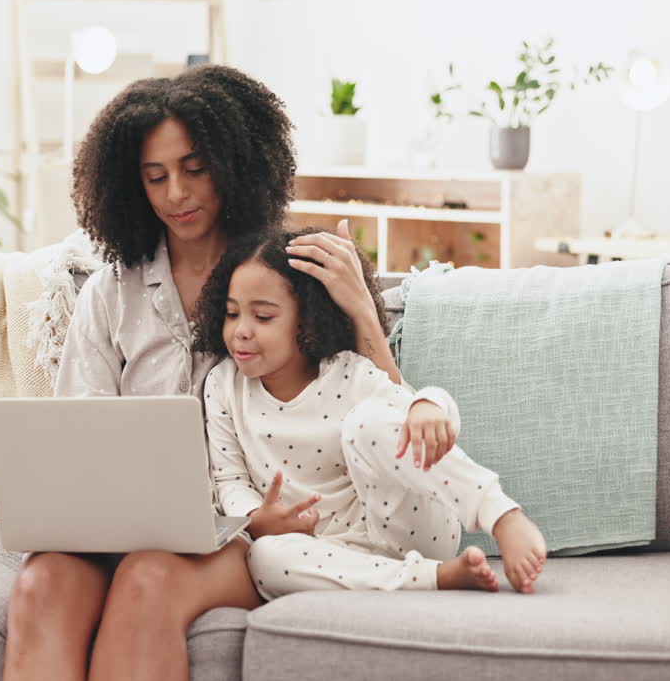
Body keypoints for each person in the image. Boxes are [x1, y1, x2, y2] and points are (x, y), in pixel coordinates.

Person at [0, 64, 395, 681]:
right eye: (155, 177)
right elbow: (75, 435)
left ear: (236, 163)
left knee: (149, 580)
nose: (176, 194)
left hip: (252, 531)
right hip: (118, 524)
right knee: (40, 585)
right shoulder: (111, 289)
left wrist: (360, 310)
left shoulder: (287, 274)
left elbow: (397, 419)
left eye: (195, 169)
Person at [192, 228, 548, 600]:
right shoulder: (222, 385)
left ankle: (502, 516)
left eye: (263, 317)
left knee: (373, 421)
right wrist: (257, 519)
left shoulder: (345, 371)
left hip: (414, 527)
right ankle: (436, 579)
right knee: (264, 558)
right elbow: (229, 478)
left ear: (306, 322)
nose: (241, 331)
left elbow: (415, 414)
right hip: (335, 552)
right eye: (232, 314)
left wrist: (428, 407)